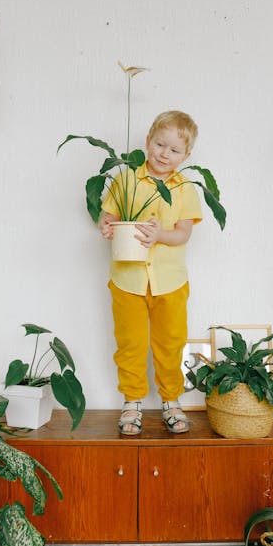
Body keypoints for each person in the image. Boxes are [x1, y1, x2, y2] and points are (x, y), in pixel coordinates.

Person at [99, 110, 202, 435]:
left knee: (170, 343)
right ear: (148, 141)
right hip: (128, 280)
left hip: (169, 282)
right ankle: (132, 401)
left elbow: (183, 233)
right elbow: (109, 217)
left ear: (186, 155)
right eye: (160, 144)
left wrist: (160, 235)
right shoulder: (126, 180)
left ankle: (171, 400)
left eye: (174, 150)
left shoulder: (185, 188)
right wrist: (107, 226)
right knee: (130, 343)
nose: (164, 154)